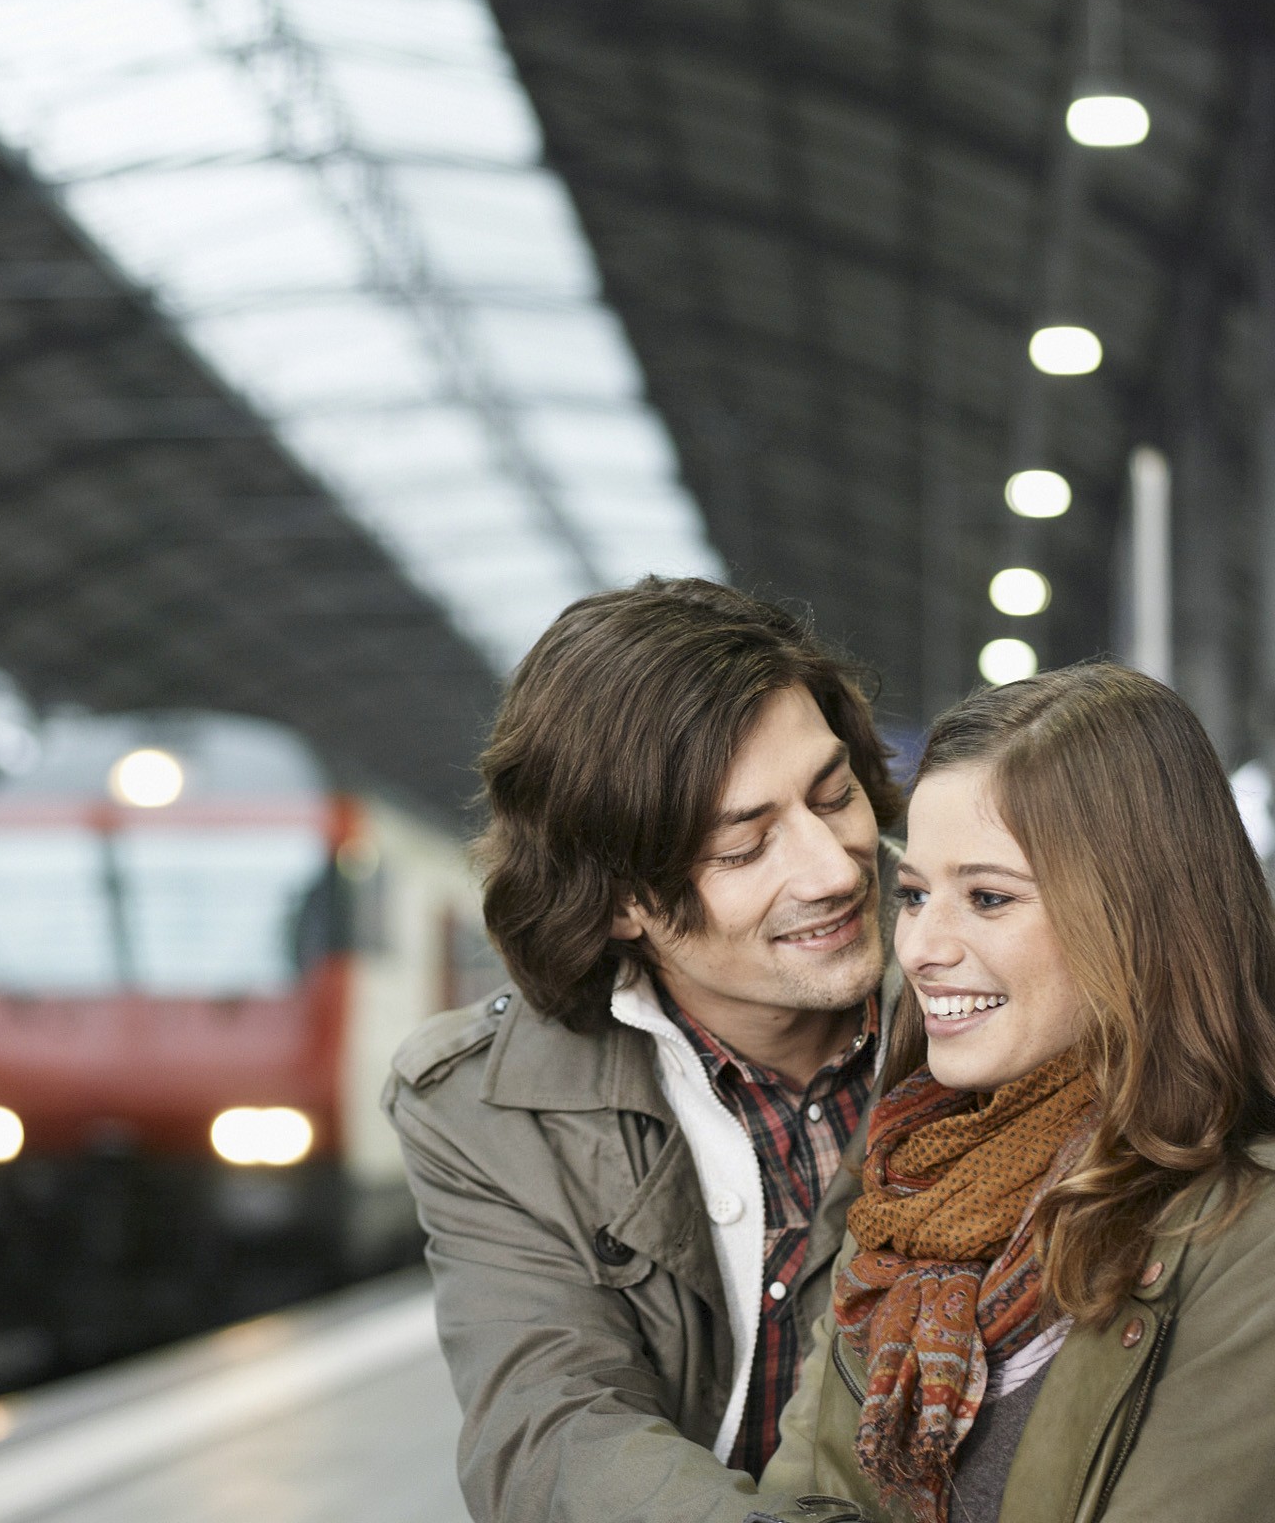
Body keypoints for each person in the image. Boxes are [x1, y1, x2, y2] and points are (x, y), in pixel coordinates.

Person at [383, 577, 907, 1523]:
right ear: (621, 901)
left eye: (835, 797)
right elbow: (553, 1431)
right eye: (743, 849)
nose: (834, 869)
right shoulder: (486, 1107)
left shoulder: (1014, 993)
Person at [762, 663, 1275, 1523]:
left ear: (1141, 914)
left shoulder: (1249, 1235)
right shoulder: (904, 1191)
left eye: (989, 897)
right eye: (915, 895)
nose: (920, 947)